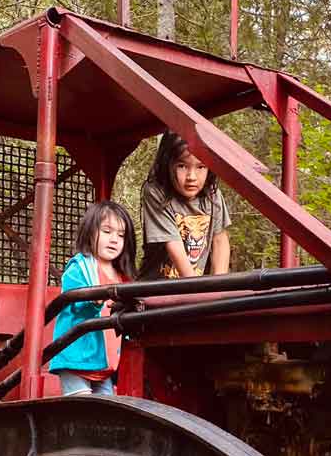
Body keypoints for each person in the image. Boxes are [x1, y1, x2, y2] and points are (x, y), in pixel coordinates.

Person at [49, 201, 137, 395]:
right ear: (90, 233)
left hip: (104, 364)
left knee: (105, 414)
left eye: (121, 235)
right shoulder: (80, 268)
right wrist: (93, 298)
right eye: (107, 231)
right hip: (76, 358)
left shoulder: (122, 277)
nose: (114, 239)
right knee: (85, 412)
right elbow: (75, 297)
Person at [138, 131, 232, 279]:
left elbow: (220, 240)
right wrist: (197, 290)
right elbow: (173, 245)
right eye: (182, 166)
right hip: (156, 291)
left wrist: (218, 288)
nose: (192, 177)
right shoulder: (156, 193)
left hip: (193, 289)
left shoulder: (213, 195)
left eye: (201, 167)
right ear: (167, 163)